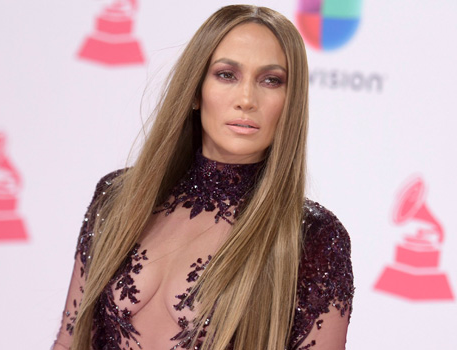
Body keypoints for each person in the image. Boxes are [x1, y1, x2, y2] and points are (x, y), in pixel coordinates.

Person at [53, 5, 354, 350]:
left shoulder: (313, 237)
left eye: (271, 80)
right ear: (196, 89)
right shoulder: (117, 198)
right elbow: (68, 342)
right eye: (227, 74)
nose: (246, 99)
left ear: (291, 101)